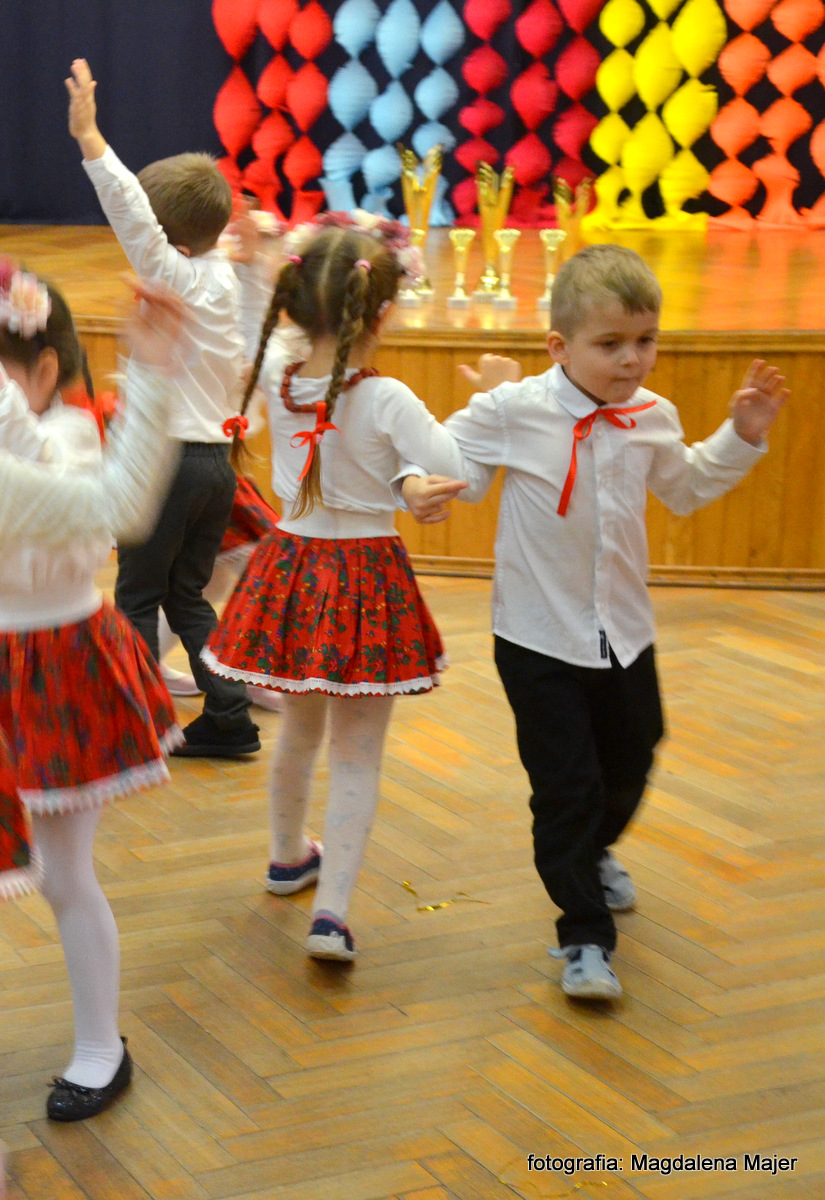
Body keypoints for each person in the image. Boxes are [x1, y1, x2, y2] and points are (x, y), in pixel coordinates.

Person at [400, 243, 788, 1000]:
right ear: (560, 346)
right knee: (566, 787)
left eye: (644, 340)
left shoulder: (653, 415)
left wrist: (740, 435)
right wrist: (416, 482)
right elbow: (452, 459)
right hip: (536, 638)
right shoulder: (514, 409)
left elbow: (684, 488)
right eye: (609, 344)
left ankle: (594, 851)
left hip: (625, 634)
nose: (631, 359)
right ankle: (583, 936)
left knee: (635, 754)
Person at [203, 212, 466, 961]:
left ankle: (287, 855)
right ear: (382, 313)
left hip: (290, 570)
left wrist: (402, 475)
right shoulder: (388, 398)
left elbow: (265, 353)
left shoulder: (280, 382)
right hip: (364, 578)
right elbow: (455, 467)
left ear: (293, 309)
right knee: (357, 753)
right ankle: (332, 915)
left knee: (298, 731)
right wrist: (417, 465)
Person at [0, 262, 187, 1120]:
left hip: (62, 666)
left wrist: (149, 369)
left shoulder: (66, 436)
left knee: (66, 873)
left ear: (42, 372)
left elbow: (111, 504)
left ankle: (100, 1046)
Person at [66, 57, 260, 757]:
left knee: (137, 599)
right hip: (214, 467)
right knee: (186, 597)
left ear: (172, 243)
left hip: (166, 466)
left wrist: (91, 138)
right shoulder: (226, 280)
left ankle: (139, 725)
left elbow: (129, 214)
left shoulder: (177, 274)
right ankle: (229, 718)